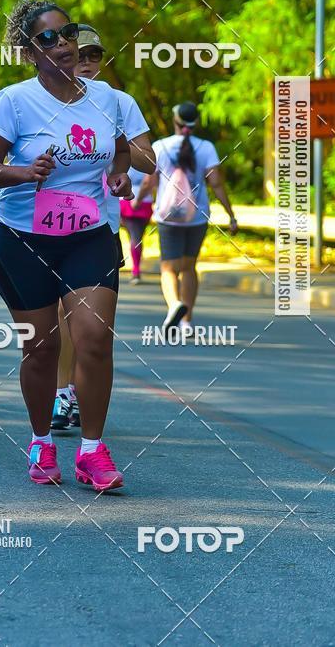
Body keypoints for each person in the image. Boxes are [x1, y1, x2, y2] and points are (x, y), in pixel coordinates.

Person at [0, 0, 133, 491]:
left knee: (94, 338)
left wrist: (121, 172)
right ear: (28, 50)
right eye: (48, 38)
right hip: (24, 239)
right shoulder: (13, 101)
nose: (62, 44)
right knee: (42, 349)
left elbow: (120, 147)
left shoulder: (106, 98)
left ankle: (91, 451)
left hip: (89, 236)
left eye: (68, 34)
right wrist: (25, 172)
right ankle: (41, 440)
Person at [52, 24, 156, 431]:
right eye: (81, 56)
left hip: (100, 225)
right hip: (48, 225)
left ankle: (75, 392)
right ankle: (63, 394)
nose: (87, 63)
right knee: (60, 313)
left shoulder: (118, 102)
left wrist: (123, 151)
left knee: (88, 320)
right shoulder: (42, 101)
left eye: (95, 56)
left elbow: (149, 159)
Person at [135, 102, 237, 333]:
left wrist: (137, 200)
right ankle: (186, 322)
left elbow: (149, 181)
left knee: (169, 268)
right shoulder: (207, 148)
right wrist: (231, 215)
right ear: (196, 122)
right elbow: (217, 184)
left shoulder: (160, 146)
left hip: (168, 216)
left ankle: (174, 305)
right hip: (197, 217)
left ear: (175, 121)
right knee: (189, 267)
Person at [120, 166, 154, 284]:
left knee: (134, 237)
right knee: (136, 237)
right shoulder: (149, 155)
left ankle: (136, 271)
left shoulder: (122, 153)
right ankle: (136, 270)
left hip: (128, 200)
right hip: (143, 201)